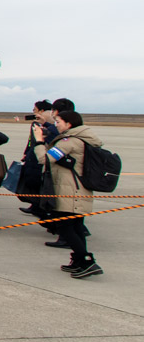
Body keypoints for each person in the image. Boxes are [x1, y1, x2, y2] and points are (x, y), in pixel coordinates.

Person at [32, 109, 103, 278]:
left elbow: (45, 159)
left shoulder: (70, 141)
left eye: (58, 122)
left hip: (69, 190)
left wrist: (39, 142)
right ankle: (79, 260)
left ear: (69, 124)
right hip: (78, 189)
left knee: (64, 226)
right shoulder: (83, 138)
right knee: (76, 226)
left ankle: (87, 262)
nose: (56, 125)